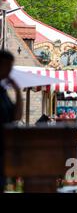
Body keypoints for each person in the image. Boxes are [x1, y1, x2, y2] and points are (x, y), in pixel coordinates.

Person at [0, 50, 23, 193]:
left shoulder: (2, 91)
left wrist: (18, 91)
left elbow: (16, 116)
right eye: (7, 66)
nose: (9, 70)